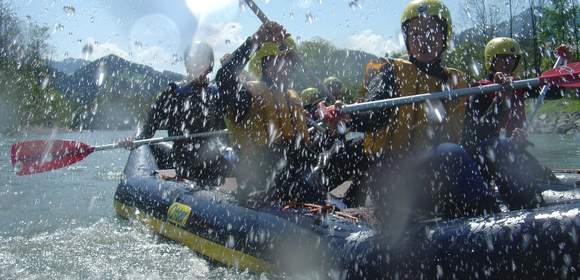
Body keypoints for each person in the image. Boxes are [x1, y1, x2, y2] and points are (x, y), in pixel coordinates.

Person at [330, 0, 499, 223]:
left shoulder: (454, 82)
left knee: (496, 147)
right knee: (451, 154)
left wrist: (500, 98)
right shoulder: (390, 73)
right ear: (407, 39)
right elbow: (374, 114)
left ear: (445, 37)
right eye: (416, 33)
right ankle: (488, 223)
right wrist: (347, 117)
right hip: (394, 180)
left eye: (432, 32)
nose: (424, 39)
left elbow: (472, 131)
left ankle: (521, 210)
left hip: (435, 176)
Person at [216, 22, 319, 206]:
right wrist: (254, 41)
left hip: (289, 186)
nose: (286, 66)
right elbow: (224, 78)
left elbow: (305, 153)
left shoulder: (290, 99)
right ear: (263, 64)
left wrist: (333, 129)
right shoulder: (246, 96)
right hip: (256, 188)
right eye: (278, 60)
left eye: (288, 60)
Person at [462, 38, 556, 209]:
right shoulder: (480, 90)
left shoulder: (518, 85)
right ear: (491, 60)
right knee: (505, 150)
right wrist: (501, 101)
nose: (508, 62)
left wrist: (562, 66)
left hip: (511, 152)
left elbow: (551, 91)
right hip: (485, 156)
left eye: (512, 58)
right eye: (502, 58)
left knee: (548, 178)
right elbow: (475, 132)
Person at [122, 42, 228, 185]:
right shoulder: (173, 93)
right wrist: (134, 141)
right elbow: (149, 129)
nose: (197, 64)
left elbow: (229, 132)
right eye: (193, 60)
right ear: (187, 64)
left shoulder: (218, 93)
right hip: (185, 164)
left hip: (215, 164)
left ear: (210, 65)